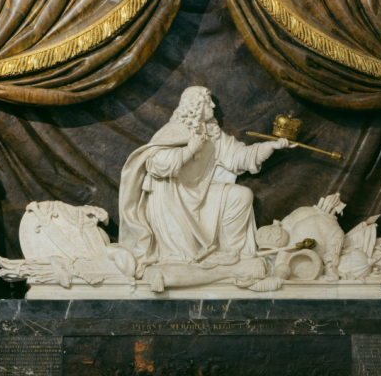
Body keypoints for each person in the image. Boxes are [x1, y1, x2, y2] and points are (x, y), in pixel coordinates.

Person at [118, 86, 294, 290]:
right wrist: (190, 150)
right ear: (195, 105)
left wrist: (270, 146)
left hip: (200, 191)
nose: (212, 105)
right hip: (172, 196)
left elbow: (240, 157)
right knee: (181, 257)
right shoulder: (175, 130)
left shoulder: (213, 133)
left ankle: (234, 255)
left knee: (241, 195)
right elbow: (155, 164)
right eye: (207, 101)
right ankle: (198, 264)